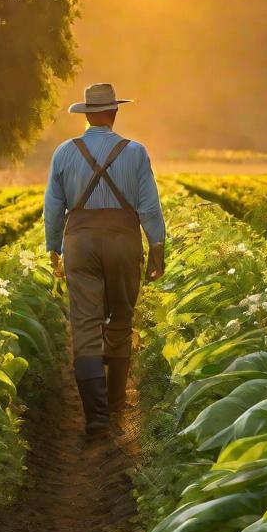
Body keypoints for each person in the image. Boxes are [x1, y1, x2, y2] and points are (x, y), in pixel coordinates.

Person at [43, 83, 166, 437]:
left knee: (85, 327)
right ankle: (114, 406)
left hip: (79, 244)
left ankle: (96, 419)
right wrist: (156, 246)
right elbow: (149, 205)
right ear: (114, 113)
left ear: (85, 115)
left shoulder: (64, 153)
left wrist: (55, 249)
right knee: (121, 320)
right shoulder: (136, 152)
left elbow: (53, 208)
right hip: (124, 242)